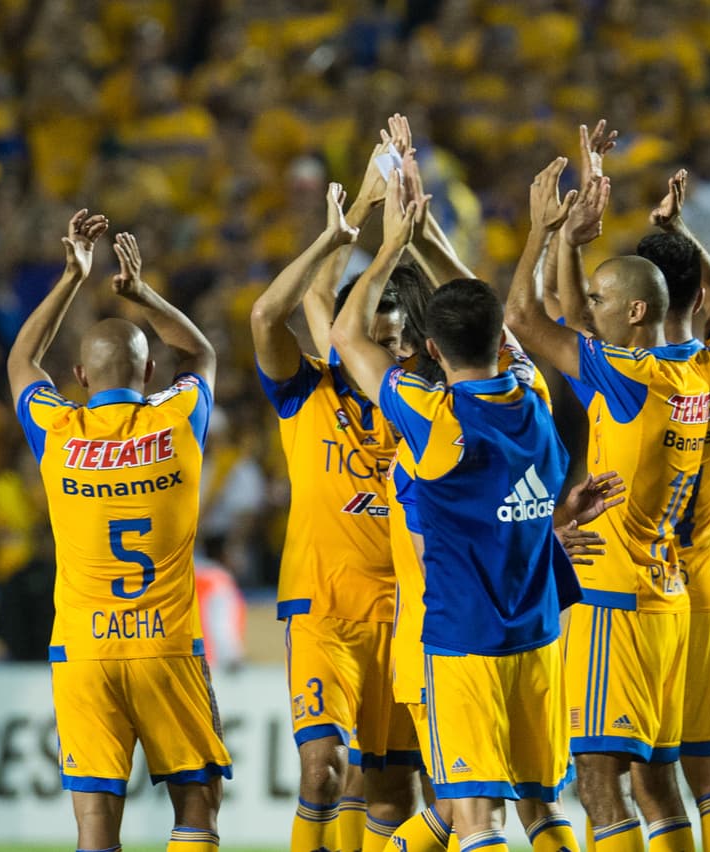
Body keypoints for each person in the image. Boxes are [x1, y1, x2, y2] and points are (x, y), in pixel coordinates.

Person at [332, 167, 582, 852]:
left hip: (461, 642)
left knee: (475, 821)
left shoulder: (436, 422)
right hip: (538, 635)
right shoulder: (534, 397)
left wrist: (393, 242)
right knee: (542, 808)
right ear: (500, 341)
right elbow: (495, 320)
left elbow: (346, 337)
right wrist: (447, 236)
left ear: (433, 350)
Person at [505, 154, 707, 852]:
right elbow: (573, 321)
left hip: (613, 601)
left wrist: (542, 232)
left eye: (600, 300)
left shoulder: (624, 377)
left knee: (596, 781)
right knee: (656, 783)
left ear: (637, 312)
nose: (586, 310)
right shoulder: (687, 373)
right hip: (666, 597)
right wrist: (575, 244)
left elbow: (525, 316)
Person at [10, 213, 229, 852]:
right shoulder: (178, 420)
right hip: (166, 647)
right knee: (196, 809)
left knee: (95, 825)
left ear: (80, 378)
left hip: (83, 652)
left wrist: (71, 277)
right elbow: (201, 354)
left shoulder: (58, 432)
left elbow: (22, 360)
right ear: (150, 371)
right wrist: (142, 293)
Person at [251, 178, 420, 852]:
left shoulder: (423, 406)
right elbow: (270, 315)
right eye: (369, 339)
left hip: (406, 617)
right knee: (323, 773)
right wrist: (344, 228)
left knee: (392, 793)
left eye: (395, 342)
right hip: (324, 612)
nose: (382, 353)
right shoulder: (308, 391)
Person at [636, 168, 710, 851]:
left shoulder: (634, 376)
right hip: (708, 582)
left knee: (647, 773)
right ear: (696, 293)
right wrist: (683, 234)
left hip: (646, 586)